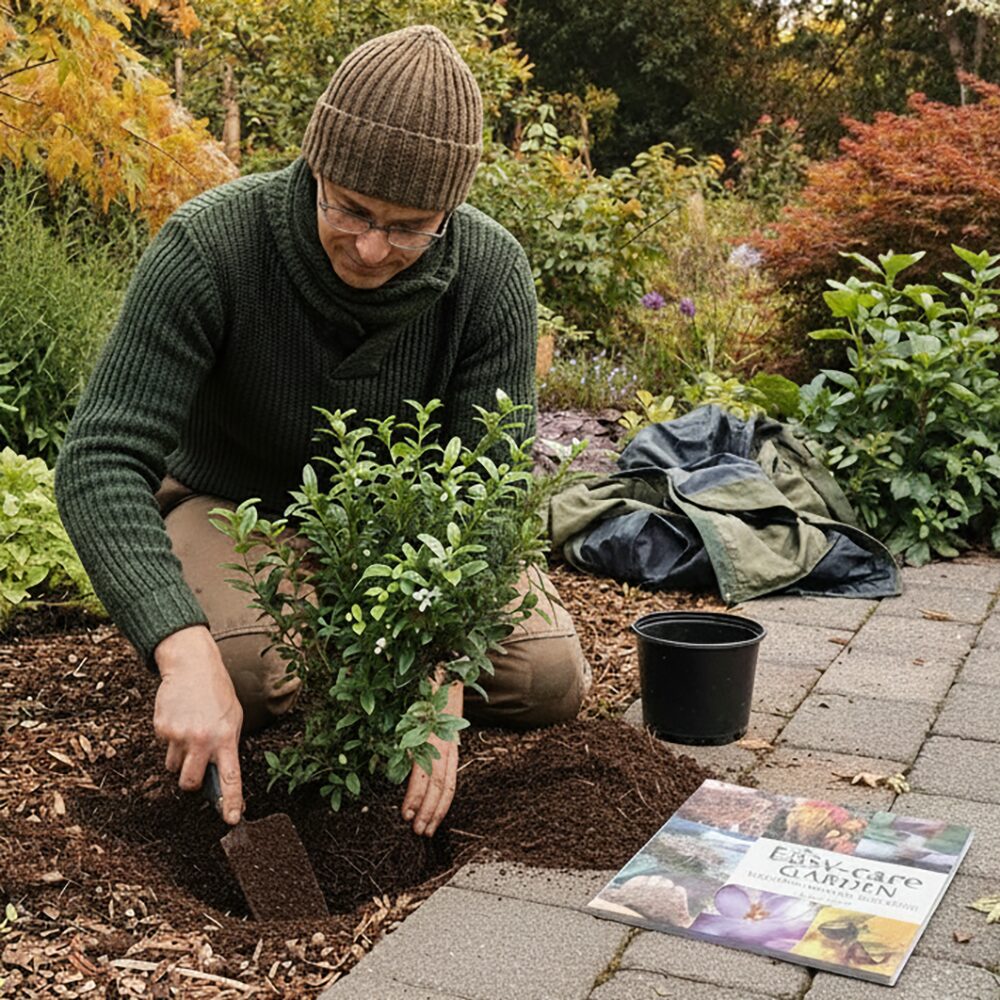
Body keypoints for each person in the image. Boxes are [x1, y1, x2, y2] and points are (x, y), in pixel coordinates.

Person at [55, 24, 589, 841]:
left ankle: (352, 642)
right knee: (241, 667)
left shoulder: (490, 273)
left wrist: (438, 659)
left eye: (411, 226)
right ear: (316, 166)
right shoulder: (211, 246)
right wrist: (179, 647)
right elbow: (100, 458)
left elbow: (495, 483)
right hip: (237, 504)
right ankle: (296, 636)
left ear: (450, 208)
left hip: (415, 541)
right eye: (351, 208)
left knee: (549, 677)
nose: (373, 247)